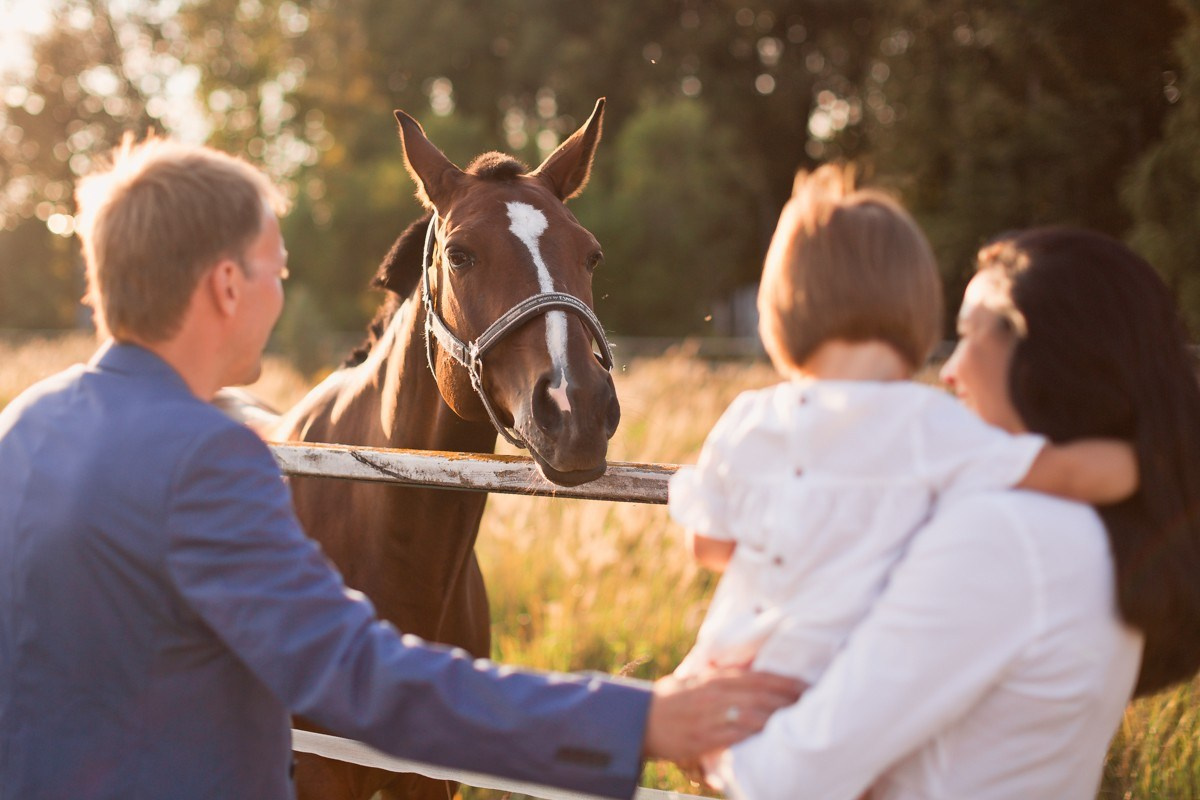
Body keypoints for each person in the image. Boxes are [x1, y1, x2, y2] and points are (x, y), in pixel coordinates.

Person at [0, 135, 802, 800]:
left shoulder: (26, 424)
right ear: (225, 287)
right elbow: (360, 675)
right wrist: (640, 722)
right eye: (278, 269)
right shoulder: (211, 462)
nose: (283, 290)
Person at [667, 166, 1138, 792]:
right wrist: (1150, 460)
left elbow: (709, 546)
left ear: (777, 313)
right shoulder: (930, 428)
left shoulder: (747, 419)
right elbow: (1068, 471)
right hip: (823, 691)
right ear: (918, 309)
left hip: (722, 680)